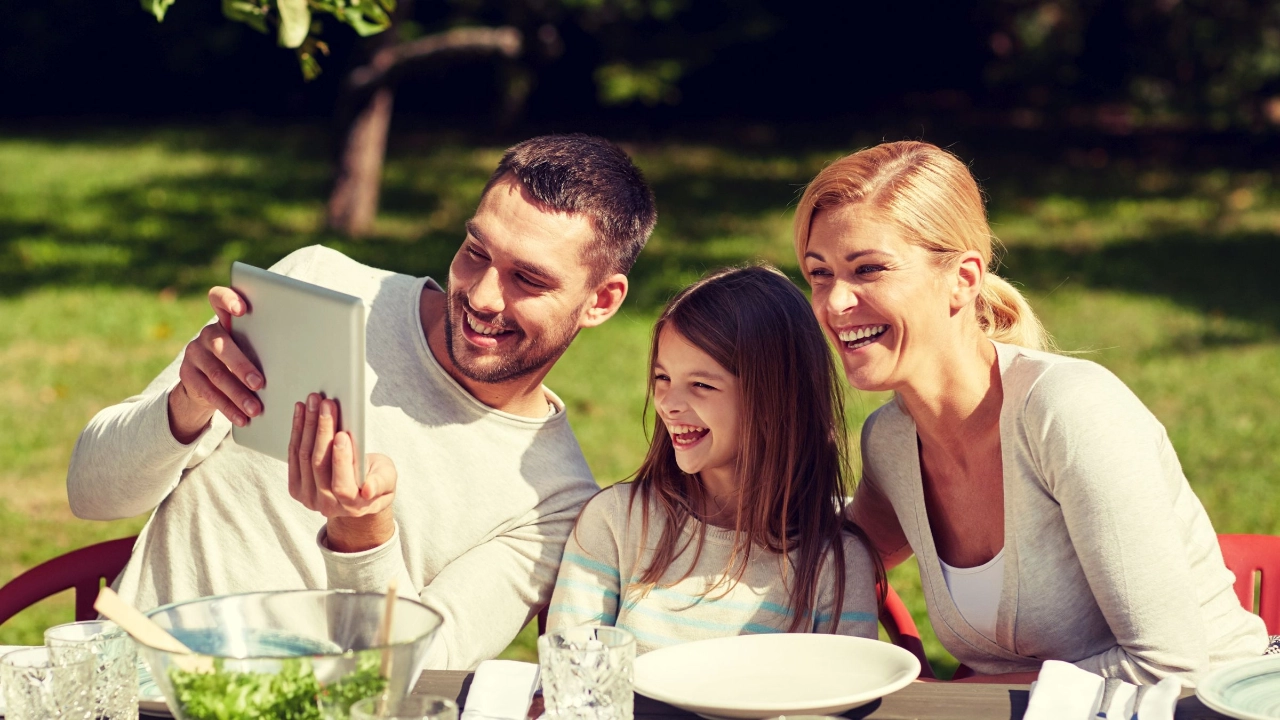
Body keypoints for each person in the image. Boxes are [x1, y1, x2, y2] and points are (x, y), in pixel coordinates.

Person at [66, 134, 658, 670]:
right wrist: (185, 406)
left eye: (528, 280)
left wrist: (363, 535)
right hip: (130, 688)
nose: (481, 296)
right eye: (476, 252)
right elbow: (91, 493)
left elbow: (413, 672)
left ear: (601, 301)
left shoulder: (553, 502)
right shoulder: (319, 283)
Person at [792, 140, 1274, 685]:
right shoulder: (891, 441)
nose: (834, 303)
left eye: (868, 269)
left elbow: (1168, 666)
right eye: (819, 273)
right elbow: (834, 557)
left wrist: (960, 702)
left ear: (963, 279)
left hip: (1218, 704)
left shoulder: (1068, 412)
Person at [547, 266, 882, 653]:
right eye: (662, 378)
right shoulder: (616, 522)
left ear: (775, 400)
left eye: (701, 385)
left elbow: (848, 687)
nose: (668, 404)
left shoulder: (836, 564)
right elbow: (569, 672)